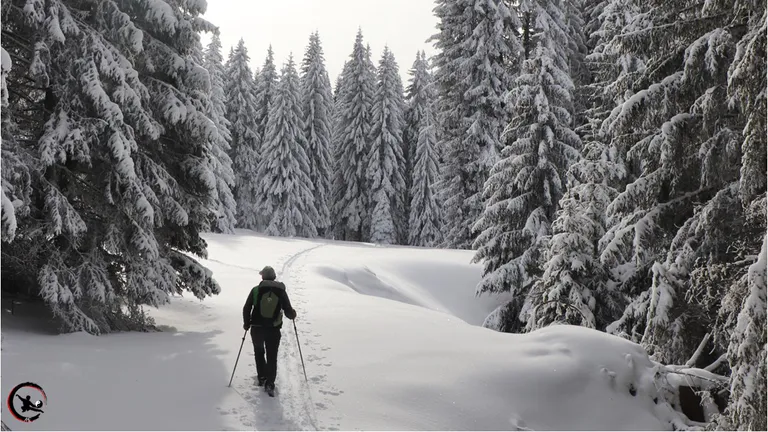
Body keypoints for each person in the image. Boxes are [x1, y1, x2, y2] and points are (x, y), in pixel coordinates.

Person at [243, 265, 297, 396]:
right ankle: (270, 383)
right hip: (273, 329)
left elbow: (246, 308)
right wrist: (293, 314)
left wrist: (246, 323)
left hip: (257, 328)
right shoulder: (280, 291)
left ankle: (262, 377)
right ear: (274, 277)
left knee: (259, 352)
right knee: (272, 356)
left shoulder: (256, 290)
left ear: (262, 277)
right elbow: (288, 311)